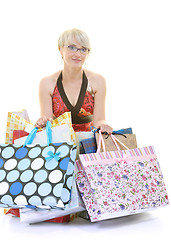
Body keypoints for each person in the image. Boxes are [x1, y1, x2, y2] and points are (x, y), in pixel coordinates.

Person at [35, 28, 113, 134]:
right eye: (72, 48)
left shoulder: (97, 81)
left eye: (83, 49)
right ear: (60, 49)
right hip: (60, 144)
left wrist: (104, 125)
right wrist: (43, 121)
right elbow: (48, 123)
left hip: (89, 144)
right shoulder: (47, 83)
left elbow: (99, 120)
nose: (78, 54)